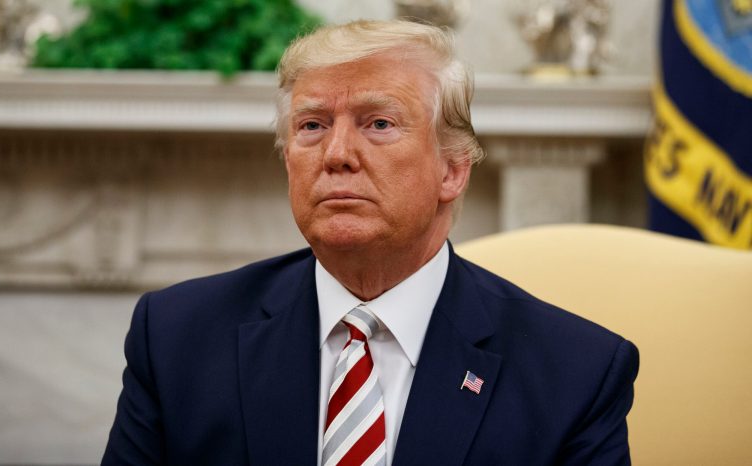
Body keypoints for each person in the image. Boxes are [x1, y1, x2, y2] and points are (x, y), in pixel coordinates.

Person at [102, 20, 639, 466]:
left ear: (452, 170)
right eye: (311, 125)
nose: (336, 153)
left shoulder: (575, 372)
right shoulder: (177, 336)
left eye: (378, 123)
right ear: (288, 159)